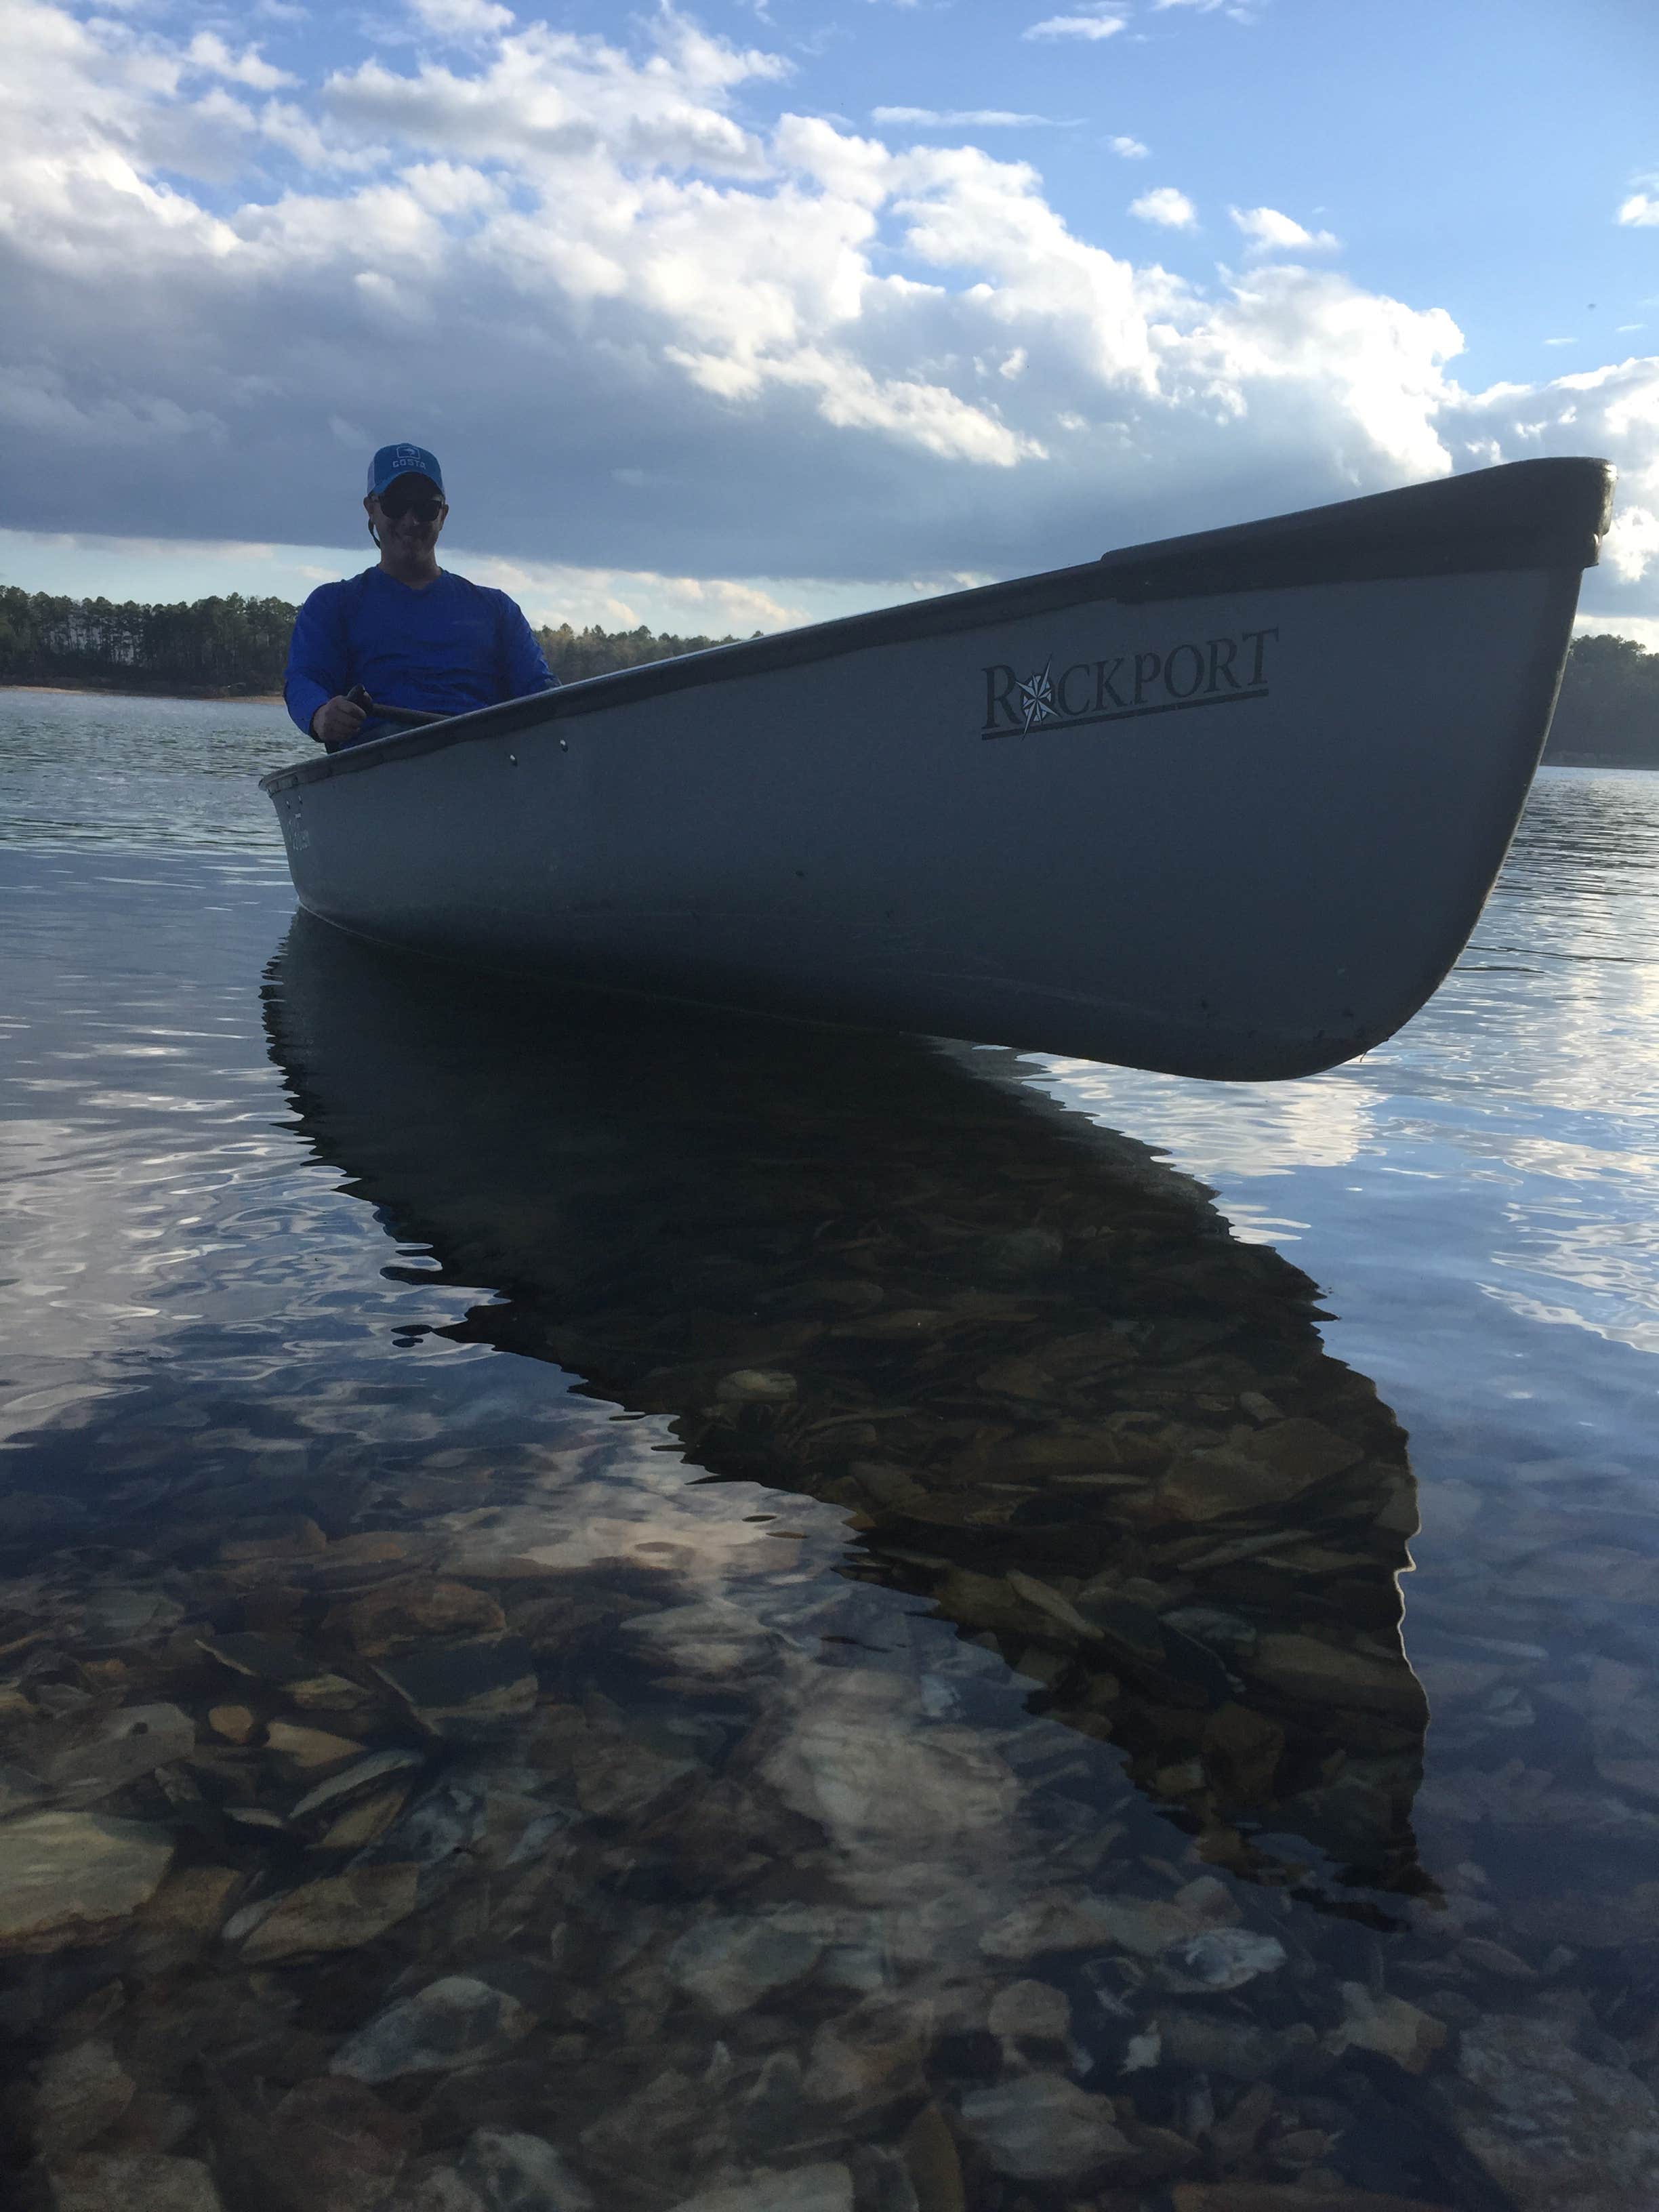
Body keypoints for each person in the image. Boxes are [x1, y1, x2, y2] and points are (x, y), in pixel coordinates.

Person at [283, 443, 557, 750]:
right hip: (375, 766)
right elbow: (305, 679)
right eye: (396, 505)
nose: (411, 520)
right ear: (371, 508)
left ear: (443, 515)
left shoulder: (498, 609)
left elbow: (543, 694)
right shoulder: (333, 604)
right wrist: (320, 714)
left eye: (426, 507)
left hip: (488, 759)